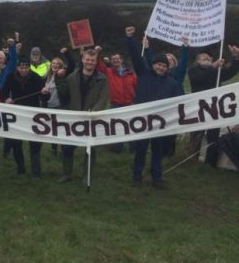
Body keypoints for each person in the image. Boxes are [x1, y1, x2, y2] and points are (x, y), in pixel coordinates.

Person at [125, 26, 185, 188]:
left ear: (167, 68)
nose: (161, 67)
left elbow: (178, 101)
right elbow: (136, 57)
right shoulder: (144, 73)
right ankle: (136, 176)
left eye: (164, 66)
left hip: (161, 122)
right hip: (143, 120)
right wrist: (130, 39)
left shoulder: (172, 83)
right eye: (158, 64)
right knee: (141, 150)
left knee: (157, 151)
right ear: (153, 65)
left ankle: (156, 179)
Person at [55, 49, 109, 183]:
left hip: (92, 118)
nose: (90, 62)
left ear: (96, 62)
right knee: (67, 147)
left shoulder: (102, 79)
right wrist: (58, 79)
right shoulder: (71, 77)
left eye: (92, 60)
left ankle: (87, 175)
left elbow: (103, 98)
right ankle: (66, 173)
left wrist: (94, 111)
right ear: (83, 60)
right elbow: (64, 96)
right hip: (74, 118)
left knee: (90, 149)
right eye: (87, 59)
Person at [187, 45, 239, 166]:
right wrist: (213, 67)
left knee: (213, 136)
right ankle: (192, 158)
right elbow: (199, 79)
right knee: (196, 134)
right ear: (197, 61)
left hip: (214, 108)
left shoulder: (216, 71)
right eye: (203, 58)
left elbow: (230, 72)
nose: (207, 58)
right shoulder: (193, 71)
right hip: (198, 108)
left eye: (208, 58)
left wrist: (236, 58)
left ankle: (210, 163)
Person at [3, 56, 48, 177]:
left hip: (32, 114)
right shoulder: (11, 77)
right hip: (16, 113)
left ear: (29, 67)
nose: (24, 70)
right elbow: (3, 91)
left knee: (35, 142)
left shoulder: (36, 78)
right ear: (17, 67)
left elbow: (44, 96)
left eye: (26, 67)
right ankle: (21, 167)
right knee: (16, 142)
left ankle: (36, 170)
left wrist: (44, 93)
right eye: (21, 67)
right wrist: (6, 98)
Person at [95, 49, 137, 153]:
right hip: (116, 104)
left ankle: (133, 148)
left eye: (117, 59)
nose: (115, 61)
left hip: (130, 104)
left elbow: (138, 87)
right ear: (111, 61)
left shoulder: (131, 73)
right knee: (117, 127)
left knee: (131, 127)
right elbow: (98, 66)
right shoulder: (109, 72)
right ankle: (118, 148)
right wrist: (97, 53)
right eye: (113, 59)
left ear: (121, 60)